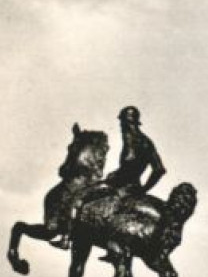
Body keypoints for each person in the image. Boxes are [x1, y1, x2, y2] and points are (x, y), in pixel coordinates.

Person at [52, 106, 166, 249]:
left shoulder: (133, 141)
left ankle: (66, 238)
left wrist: (133, 184)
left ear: (128, 123)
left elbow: (152, 169)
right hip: (132, 186)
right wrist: (142, 188)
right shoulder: (146, 142)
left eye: (123, 124)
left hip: (121, 187)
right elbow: (157, 169)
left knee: (79, 197)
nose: (121, 127)